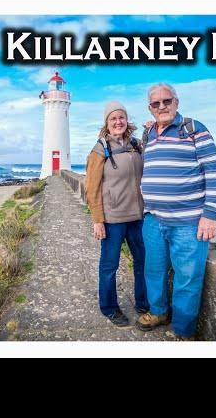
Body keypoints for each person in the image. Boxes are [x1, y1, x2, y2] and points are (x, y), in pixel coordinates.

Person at [136, 83, 216, 339]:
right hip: (153, 219)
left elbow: (214, 172)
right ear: (150, 108)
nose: (162, 106)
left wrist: (210, 215)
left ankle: (182, 331)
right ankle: (158, 311)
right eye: (156, 104)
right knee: (153, 271)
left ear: (176, 102)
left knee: (187, 279)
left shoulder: (194, 129)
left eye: (167, 101)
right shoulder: (149, 134)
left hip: (188, 222)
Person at [85, 101, 149, 327]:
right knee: (109, 265)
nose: (118, 122)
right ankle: (109, 307)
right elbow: (91, 188)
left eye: (121, 117)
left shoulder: (137, 145)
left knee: (143, 261)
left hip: (138, 217)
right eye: (113, 119)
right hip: (113, 219)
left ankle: (143, 302)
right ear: (107, 123)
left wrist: (151, 131)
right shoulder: (99, 149)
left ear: (127, 120)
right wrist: (97, 220)